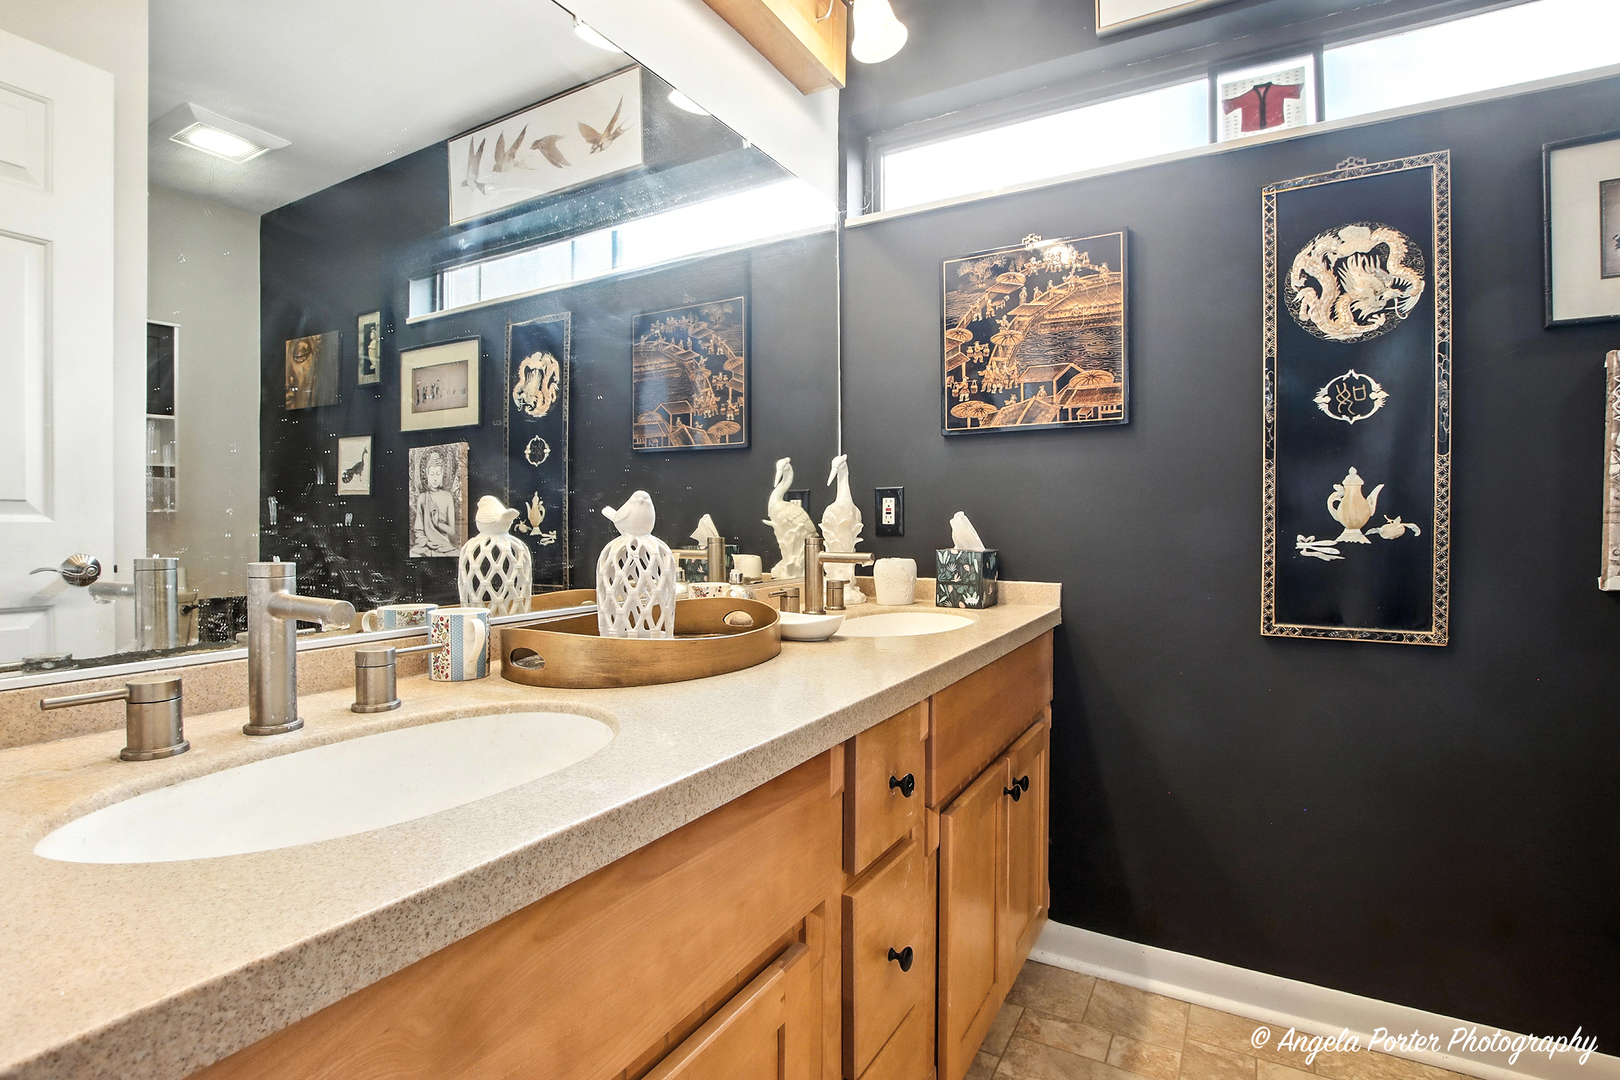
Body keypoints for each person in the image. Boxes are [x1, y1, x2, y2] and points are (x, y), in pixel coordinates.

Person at [411, 449, 459, 556]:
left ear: (442, 474)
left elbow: (451, 531)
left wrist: (437, 523)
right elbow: (419, 530)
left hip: (444, 546)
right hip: (426, 547)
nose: (435, 478)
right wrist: (427, 542)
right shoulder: (423, 498)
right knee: (413, 553)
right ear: (427, 474)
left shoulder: (447, 497)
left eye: (437, 473)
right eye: (432, 474)